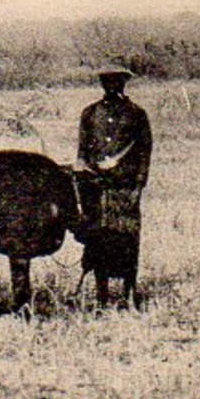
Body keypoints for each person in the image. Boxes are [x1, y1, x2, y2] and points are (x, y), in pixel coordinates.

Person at [76, 67, 154, 308]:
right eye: (107, 81)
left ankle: (128, 293)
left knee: (127, 238)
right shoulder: (90, 113)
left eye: (117, 81)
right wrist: (84, 181)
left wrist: (137, 186)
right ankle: (102, 296)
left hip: (125, 188)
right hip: (95, 188)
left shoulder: (136, 114)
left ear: (124, 83)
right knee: (98, 240)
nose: (112, 85)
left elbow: (144, 151)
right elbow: (82, 152)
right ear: (101, 84)